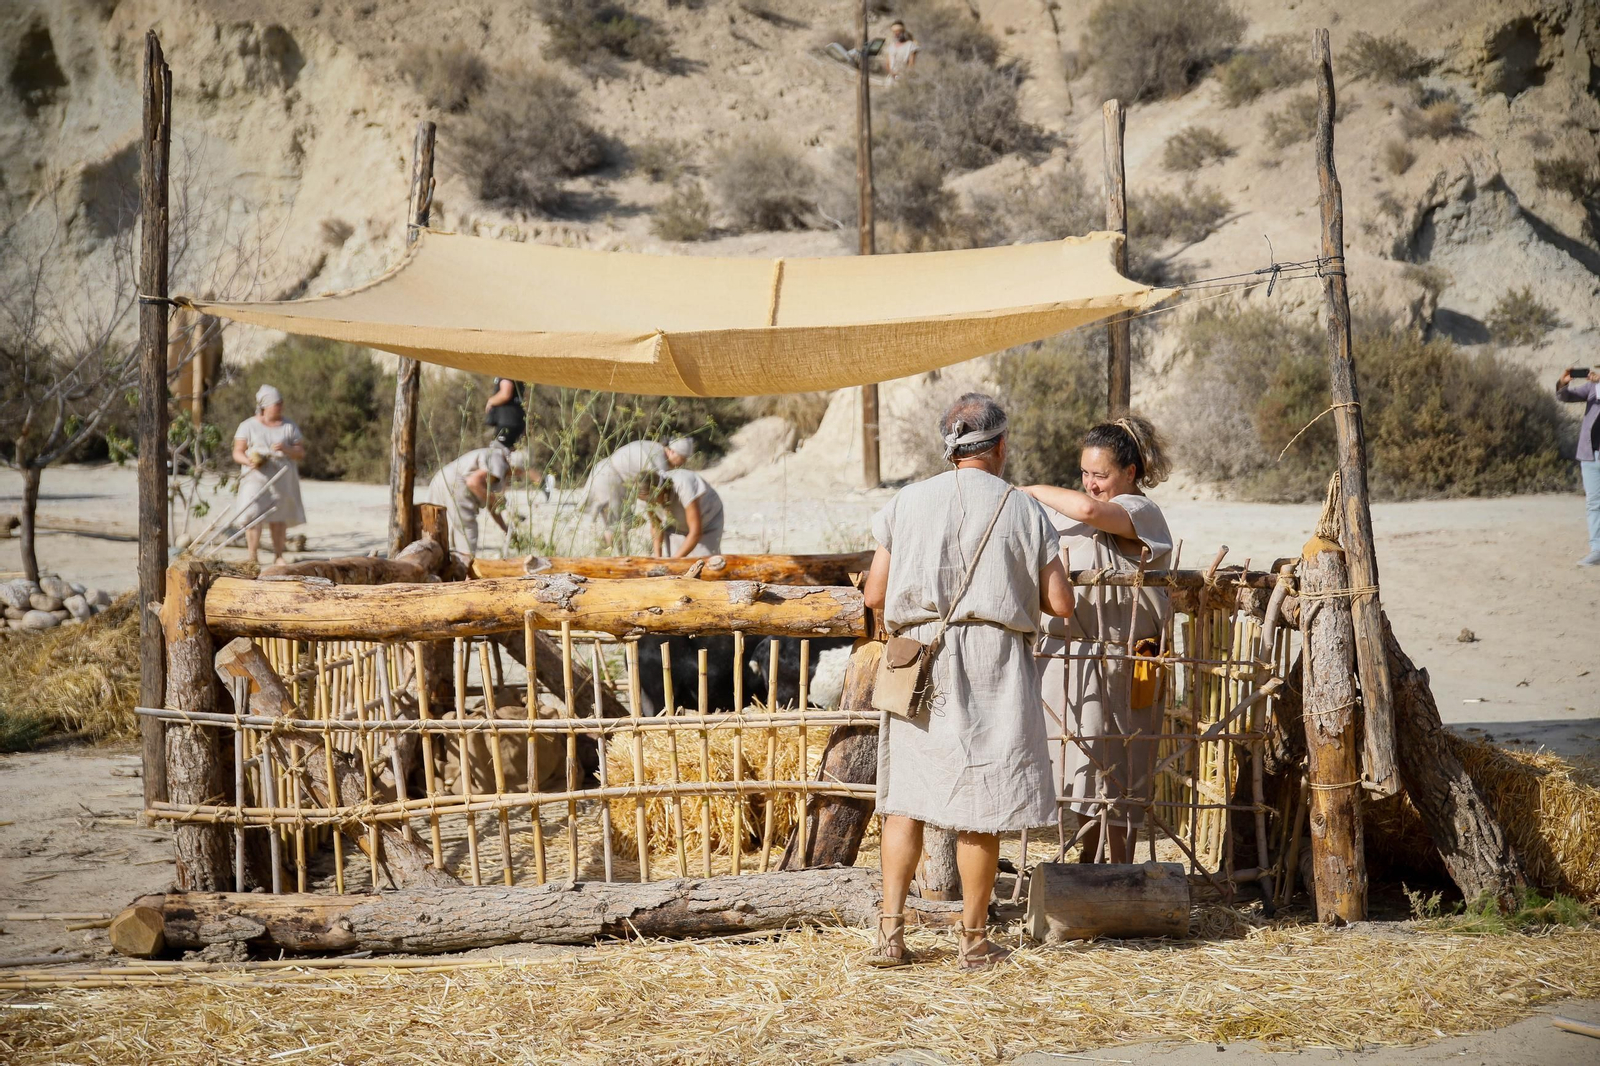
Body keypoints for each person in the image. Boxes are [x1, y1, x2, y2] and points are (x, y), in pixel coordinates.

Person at [862, 393, 1075, 969]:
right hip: (993, 660)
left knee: (906, 798)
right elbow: (1060, 601)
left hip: (920, 656)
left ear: (950, 447)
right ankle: (974, 940)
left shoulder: (907, 502)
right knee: (982, 801)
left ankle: (889, 938)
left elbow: (875, 595)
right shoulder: (1023, 508)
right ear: (1000, 446)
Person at [1025, 415, 1174, 865]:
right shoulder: (1066, 511)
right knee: (1081, 771)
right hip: (1067, 658)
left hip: (1121, 661)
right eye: (1085, 474)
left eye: (1101, 475)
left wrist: (1028, 490)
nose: (1090, 485)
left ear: (1129, 472)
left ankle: (1121, 872)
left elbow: (1091, 512)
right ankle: (1088, 868)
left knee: (1122, 768)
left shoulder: (1139, 511)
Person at [231, 384, 307, 565]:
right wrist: (249, 461)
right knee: (253, 514)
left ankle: (278, 555)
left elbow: (301, 452)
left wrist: (287, 449)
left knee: (279, 516)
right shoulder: (247, 426)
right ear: (265, 406)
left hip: (282, 477)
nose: (280, 407)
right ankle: (252, 556)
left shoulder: (289, 426)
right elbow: (237, 451)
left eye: (281, 403)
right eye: (276, 404)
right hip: (255, 477)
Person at [427, 426, 526, 557]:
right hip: (455, 482)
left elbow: (493, 507)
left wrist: (505, 529)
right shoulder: (499, 460)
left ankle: (437, 562)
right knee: (466, 528)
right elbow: (473, 482)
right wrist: (495, 499)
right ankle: (467, 569)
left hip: (440, 478)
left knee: (439, 525)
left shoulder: (499, 471)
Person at [581, 436, 695, 537]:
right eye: (683, 458)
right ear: (671, 451)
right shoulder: (658, 460)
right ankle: (613, 556)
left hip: (610, 475)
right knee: (616, 526)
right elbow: (655, 493)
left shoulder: (655, 449)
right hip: (609, 479)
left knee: (618, 524)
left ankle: (608, 549)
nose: (683, 462)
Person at [1558, 367, 1600, 567]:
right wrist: (1564, 383)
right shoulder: (1593, 387)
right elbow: (1566, 397)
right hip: (1590, 453)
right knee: (1593, 502)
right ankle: (1597, 550)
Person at [638, 468, 724, 558]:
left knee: (705, 563)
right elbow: (656, 526)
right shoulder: (645, 496)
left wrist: (674, 561)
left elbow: (696, 532)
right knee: (676, 567)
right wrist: (657, 557)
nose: (649, 503)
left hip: (707, 522)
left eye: (652, 500)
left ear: (660, 490)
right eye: (646, 500)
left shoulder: (683, 486)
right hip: (676, 526)